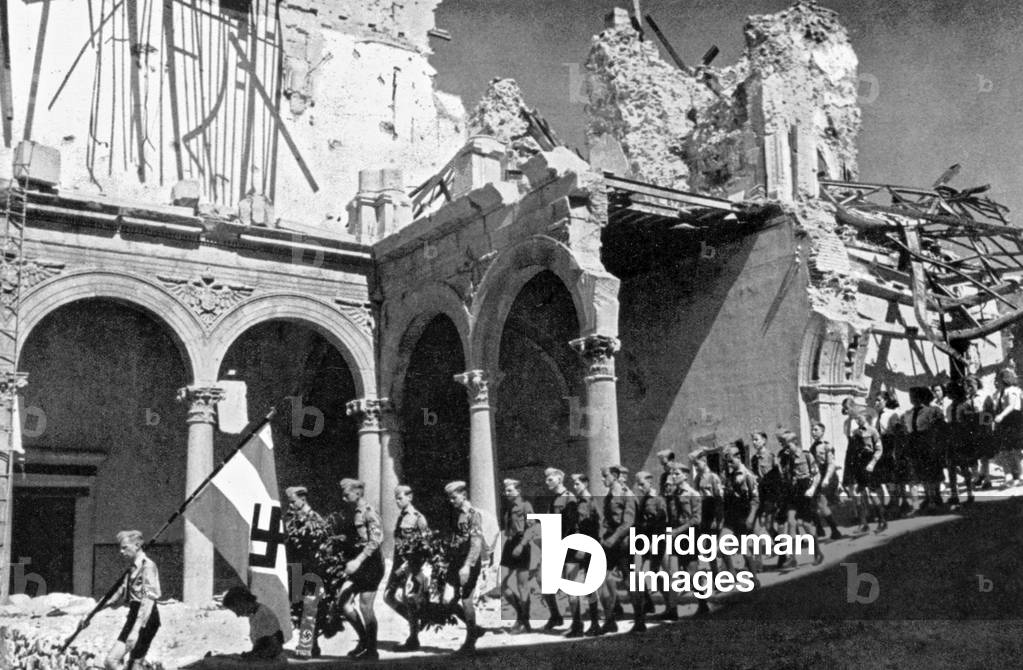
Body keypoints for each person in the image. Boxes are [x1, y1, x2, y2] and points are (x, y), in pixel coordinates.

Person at [95, 530, 161, 670]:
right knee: (131, 665)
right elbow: (116, 595)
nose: (121, 551)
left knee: (113, 661)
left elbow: (148, 598)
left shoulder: (147, 566)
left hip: (146, 618)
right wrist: (91, 612)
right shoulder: (132, 568)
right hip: (134, 615)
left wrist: (136, 630)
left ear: (137, 545)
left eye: (125, 547)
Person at [334, 478, 384, 660]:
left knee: (365, 606)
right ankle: (364, 641)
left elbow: (376, 541)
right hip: (357, 564)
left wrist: (357, 560)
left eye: (346, 494)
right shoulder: (352, 512)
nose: (344, 498)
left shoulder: (369, 512)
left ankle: (372, 650)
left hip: (370, 565)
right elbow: (355, 537)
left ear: (357, 493)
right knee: (343, 603)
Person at [383, 485, 431, 651]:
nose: (397, 501)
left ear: (410, 497)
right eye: (396, 498)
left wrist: (413, 565)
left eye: (400, 498)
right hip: (398, 566)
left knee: (408, 598)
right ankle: (416, 622)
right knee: (388, 596)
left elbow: (426, 545)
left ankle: (413, 637)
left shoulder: (418, 517)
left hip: (411, 565)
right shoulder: (400, 517)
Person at [282, 485, 327, 656]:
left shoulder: (314, 518)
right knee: (298, 609)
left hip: (313, 570)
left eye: (293, 502)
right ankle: (308, 644)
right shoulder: (291, 519)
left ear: (303, 499)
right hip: (296, 569)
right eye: (289, 502)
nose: (291, 505)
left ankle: (308, 645)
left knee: (310, 609)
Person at [444, 480, 487, 655]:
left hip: (468, 563)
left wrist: (467, 566)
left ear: (463, 495)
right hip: (455, 562)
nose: (451, 501)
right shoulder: (456, 513)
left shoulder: (472, 514)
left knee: (466, 599)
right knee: (448, 601)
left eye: (454, 497)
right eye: (449, 498)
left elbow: (476, 543)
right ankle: (475, 629)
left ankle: (470, 642)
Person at [599, 464, 638, 633]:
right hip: (610, 543)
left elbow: (628, 522)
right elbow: (606, 520)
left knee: (629, 581)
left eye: (605, 475)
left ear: (614, 475)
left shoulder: (626, 494)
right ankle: (610, 619)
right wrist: (602, 536)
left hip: (623, 543)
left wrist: (613, 538)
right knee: (604, 578)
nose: (602, 479)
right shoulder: (609, 495)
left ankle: (639, 619)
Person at [562, 473, 602, 637]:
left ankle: (590, 624)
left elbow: (594, 527)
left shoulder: (589, 503)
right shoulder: (577, 503)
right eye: (573, 483)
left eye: (577, 483)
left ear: (585, 483)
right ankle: (580, 624)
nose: (575, 486)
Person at [777, 431, 824, 568]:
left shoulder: (807, 456)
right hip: (793, 492)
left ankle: (817, 553)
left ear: (795, 443)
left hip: (806, 491)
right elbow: (785, 475)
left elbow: (817, 475)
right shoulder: (787, 458)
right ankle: (792, 557)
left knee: (805, 524)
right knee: (791, 522)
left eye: (788, 445)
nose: (785, 448)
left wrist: (812, 489)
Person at [662, 461, 701, 620]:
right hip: (675, 537)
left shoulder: (693, 494)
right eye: (672, 473)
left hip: (689, 536)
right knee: (671, 573)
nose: (674, 476)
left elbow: (696, 519)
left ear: (685, 475)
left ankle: (703, 603)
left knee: (692, 573)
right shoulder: (673, 495)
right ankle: (672, 609)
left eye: (677, 474)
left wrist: (677, 531)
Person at [632, 470, 667, 631]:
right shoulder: (642, 500)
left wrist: (655, 542)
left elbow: (661, 523)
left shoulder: (658, 500)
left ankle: (667, 606)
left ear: (650, 483)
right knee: (641, 575)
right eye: (638, 485)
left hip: (656, 543)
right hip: (644, 543)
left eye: (642, 484)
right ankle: (648, 606)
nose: (640, 488)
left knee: (652, 574)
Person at [720, 444, 761, 580]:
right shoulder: (728, 475)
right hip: (731, 516)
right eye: (727, 461)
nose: (729, 463)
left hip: (743, 515)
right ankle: (731, 573)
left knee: (744, 548)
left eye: (731, 460)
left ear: (738, 457)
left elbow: (755, 499)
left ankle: (754, 578)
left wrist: (751, 517)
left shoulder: (747, 475)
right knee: (722, 545)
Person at [499, 478, 534, 634]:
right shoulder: (508, 507)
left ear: (518, 491)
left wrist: (521, 545)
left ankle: (522, 620)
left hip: (522, 544)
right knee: (503, 583)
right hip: (510, 543)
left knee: (522, 585)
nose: (506, 493)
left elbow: (531, 528)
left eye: (509, 490)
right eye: (505, 490)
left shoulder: (526, 506)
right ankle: (521, 614)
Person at [903, 387, 945, 513]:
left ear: (921, 397)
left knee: (932, 473)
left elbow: (940, 428)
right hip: (914, 444)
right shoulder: (908, 413)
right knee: (921, 472)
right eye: (911, 395)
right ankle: (928, 498)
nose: (912, 398)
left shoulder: (933, 410)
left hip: (929, 443)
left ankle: (934, 500)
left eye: (914, 395)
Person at [221, 586, 287, 668]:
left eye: (236, 610)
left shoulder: (263, 615)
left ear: (242, 602)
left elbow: (269, 648)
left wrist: (246, 657)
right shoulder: (255, 614)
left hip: (273, 663)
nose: (237, 615)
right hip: (266, 659)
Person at [690, 451, 723, 614]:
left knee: (711, 549)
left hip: (711, 513)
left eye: (698, 464)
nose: (696, 467)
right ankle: (715, 576)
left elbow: (718, 499)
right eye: (695, 465)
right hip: (702, 514)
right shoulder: (697, 479)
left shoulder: (713, 478)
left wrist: (718, 518)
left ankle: (718, 577)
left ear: (705, 462)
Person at [539, 468, 571, 631]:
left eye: (550, 479)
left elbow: (572, 524)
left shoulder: (568, 498)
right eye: (546, 479)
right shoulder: (554, 499)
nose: (547, 482)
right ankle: (556, 616)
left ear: (559, 479)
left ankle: (579, 621)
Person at [848, 408, 887, 532]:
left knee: (873, 493)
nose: (857, 420)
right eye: (856, 418)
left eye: (859, 417)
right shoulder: (855, 433)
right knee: (859, 493)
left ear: (866, 418)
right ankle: (863, 523)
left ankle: (882, 521)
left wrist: (873, 463)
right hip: (859, 465)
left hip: (869, 463)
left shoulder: (872, 431)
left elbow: (879, 449)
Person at [808, 423, 843, 540]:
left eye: (816, 430)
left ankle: (835, 531)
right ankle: (820, 529)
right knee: (812, 504)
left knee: (821, 504)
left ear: (822, 432)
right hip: (817, 478)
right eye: (812, 430)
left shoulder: (827, 446)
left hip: (827, 477)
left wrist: (827, 478)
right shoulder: (812, 447)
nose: (813, 432)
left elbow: (831, 464)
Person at [992, 368, 1023, 488]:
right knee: (1004, 450)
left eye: (998, 380)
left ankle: (1021, 476)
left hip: (1013, 421)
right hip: (1005, 423)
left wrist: (1001, 415)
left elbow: (1011, 405)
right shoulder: (1001, 392)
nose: (996, 382)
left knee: (1016, 450)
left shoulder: (1012, 390)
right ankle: (1008, 476)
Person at [750, 431, 781, 535]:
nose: (754, 442)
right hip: (761, 493)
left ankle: (782, 547)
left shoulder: (771, 456)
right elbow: (755, 475)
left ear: (764, 441)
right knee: (762, 523)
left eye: (756, 440)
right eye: (753, 440)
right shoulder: (754, 459)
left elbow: (778, 476)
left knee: (768, 524)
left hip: (771, 494)